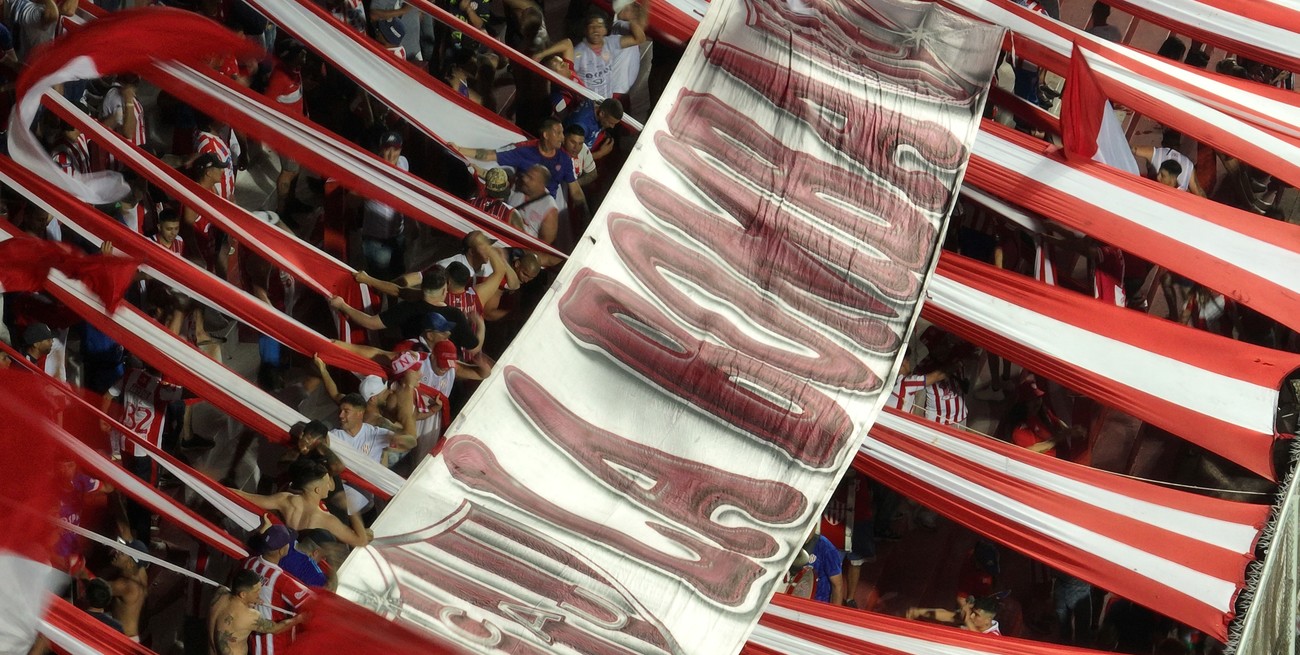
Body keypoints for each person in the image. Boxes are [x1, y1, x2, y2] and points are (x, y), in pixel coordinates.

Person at [449, 119, 587, 217]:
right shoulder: (524, 150)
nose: (562, 138)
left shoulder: (565, 159)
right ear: (546, 135)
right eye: (558, 133)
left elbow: (576, 192)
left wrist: (586, 216)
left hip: (544, 212)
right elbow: (490, 155)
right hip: (520, 207)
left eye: (562, 133)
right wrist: (459, 149)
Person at [330, 265, 476, 347]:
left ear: (422, 287)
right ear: (445, 290)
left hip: (412, 362)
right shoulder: (457, 314)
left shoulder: (408, 307)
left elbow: (371, 323)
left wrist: (343, 306)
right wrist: (480, 325)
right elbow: (472, 345)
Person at [233, 461, 371, 547]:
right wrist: (352, 509)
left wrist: (220, 489)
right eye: (326, 483)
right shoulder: (327, 520)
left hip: (277, 549)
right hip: (300, 566)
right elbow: (361, 541)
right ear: (317, 490)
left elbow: (247, 497)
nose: (330, 487)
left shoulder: (285, 499)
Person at [531, 8, 648, 100]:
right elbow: (566, 52)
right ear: (585, 30)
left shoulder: (611, 43)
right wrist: (542, 56)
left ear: (605, 30)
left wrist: (631, 20)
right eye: (592, 26)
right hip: (591, 109)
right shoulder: (579, 53)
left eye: (599, 26)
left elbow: (639, 39)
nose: (596, 30)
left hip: (608, 102)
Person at [242, 522, 312, 655]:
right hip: (274, 646)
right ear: (281, 550)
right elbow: (311, 604)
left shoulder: (249, 563)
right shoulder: (280, 579)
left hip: (252, 640)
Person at [209, 570, 306, 655]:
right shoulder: (250, 616)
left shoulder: (220, 593)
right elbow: (276, 628)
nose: (259, 594)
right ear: (243, 594)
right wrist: (299, 619)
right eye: (256, 592)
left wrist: (248, 600)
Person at [360, 131, 410, 281]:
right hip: (376, 240)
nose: (391, 154)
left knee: (399, 275)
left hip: (398, 234)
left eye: (395, 149)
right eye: (387, 149)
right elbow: (351, 199)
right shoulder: (369, 170)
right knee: (380, 280)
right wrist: (367, 191)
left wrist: (413, 222)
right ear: (380, 149)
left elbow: (406, 195)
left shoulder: (403, 163)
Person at [107, 539, 150, 642]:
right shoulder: (141, 574)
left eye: (122, 553)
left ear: (130, 563)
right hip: (130, 637)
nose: (117, 552)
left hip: (123, 640)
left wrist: (78, 564)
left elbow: (95, 587)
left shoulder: (126, 585)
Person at [506, 164, 559, 244]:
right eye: (526, 175)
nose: (525, 179)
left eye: (530, 178)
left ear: (541, 184)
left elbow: (544, 245)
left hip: (520, 246)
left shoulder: (550, 209)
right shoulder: (517, 187)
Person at [805, 528, 844, 605]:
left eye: (809, 526)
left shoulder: (826, 548)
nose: (807, 531)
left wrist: (833, 611)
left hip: (818, 604)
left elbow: (837, 586)